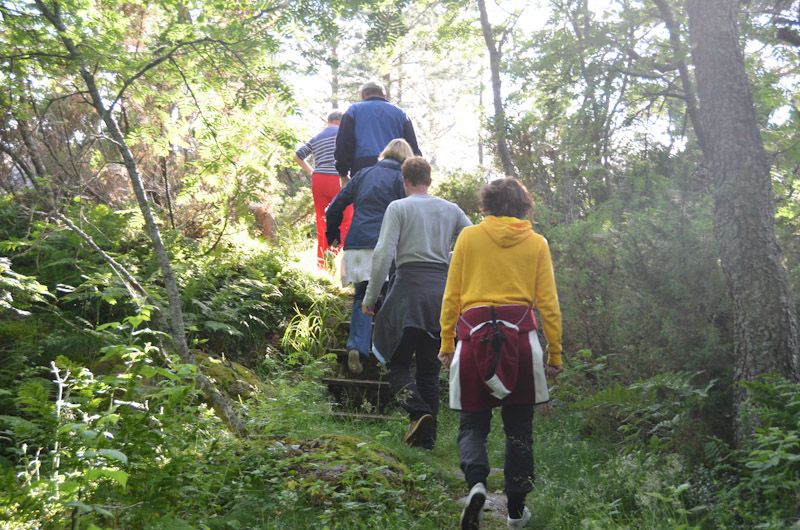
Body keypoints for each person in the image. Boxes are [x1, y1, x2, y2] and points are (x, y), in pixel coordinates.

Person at [437, 178, 564, 530]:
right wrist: (555, 354)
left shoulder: (469, 237)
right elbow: (548, 304)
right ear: (524, 206)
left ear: (487, 205)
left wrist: (447, 342)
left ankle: (476, 485)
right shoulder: (536, 243)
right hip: (520, 342)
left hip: (473, 340)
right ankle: (516, 512)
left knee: (472, 425)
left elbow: (452, 295)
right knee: (519, 430)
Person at [361, 157, 471, 449]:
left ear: (404, 181)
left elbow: (383, 254)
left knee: (394, 362)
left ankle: (418, 412)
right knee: (429, 371)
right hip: (441, 297)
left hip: (407, 293)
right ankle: (426, 442)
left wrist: (371, 297)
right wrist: (450, 261)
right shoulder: (451, 210)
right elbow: (473, 243)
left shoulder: (399, 207)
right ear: (429, 180)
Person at [326, 138, 413, 374]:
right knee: (387, 296)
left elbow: (335, 205)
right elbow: (411, 211)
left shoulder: (363, 174)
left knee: (362, 295)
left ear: (385, 154)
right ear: (406, 159)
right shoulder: (402, 180)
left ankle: (357, 346)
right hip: (385, 244)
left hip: (357, 243)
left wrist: (332, 233)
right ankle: (384, 351)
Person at [294, 111, 353, 268]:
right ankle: (339, 259)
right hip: (338, 178)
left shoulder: (317, 137)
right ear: (341, 121)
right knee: (346, 219)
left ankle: (323, 264)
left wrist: (312, 171)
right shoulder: (344, 133)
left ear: (329, 121)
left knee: (322, 220)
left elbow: (298, 155)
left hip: (319, 179)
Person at [334, 81, 422, 180]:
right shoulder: (401, 114)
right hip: (396, 169)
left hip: (363, 167)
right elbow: (412, 146)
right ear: (384, 95)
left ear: (363, 94)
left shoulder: (353, 111)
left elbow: (344, 142)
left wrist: (343, 172)